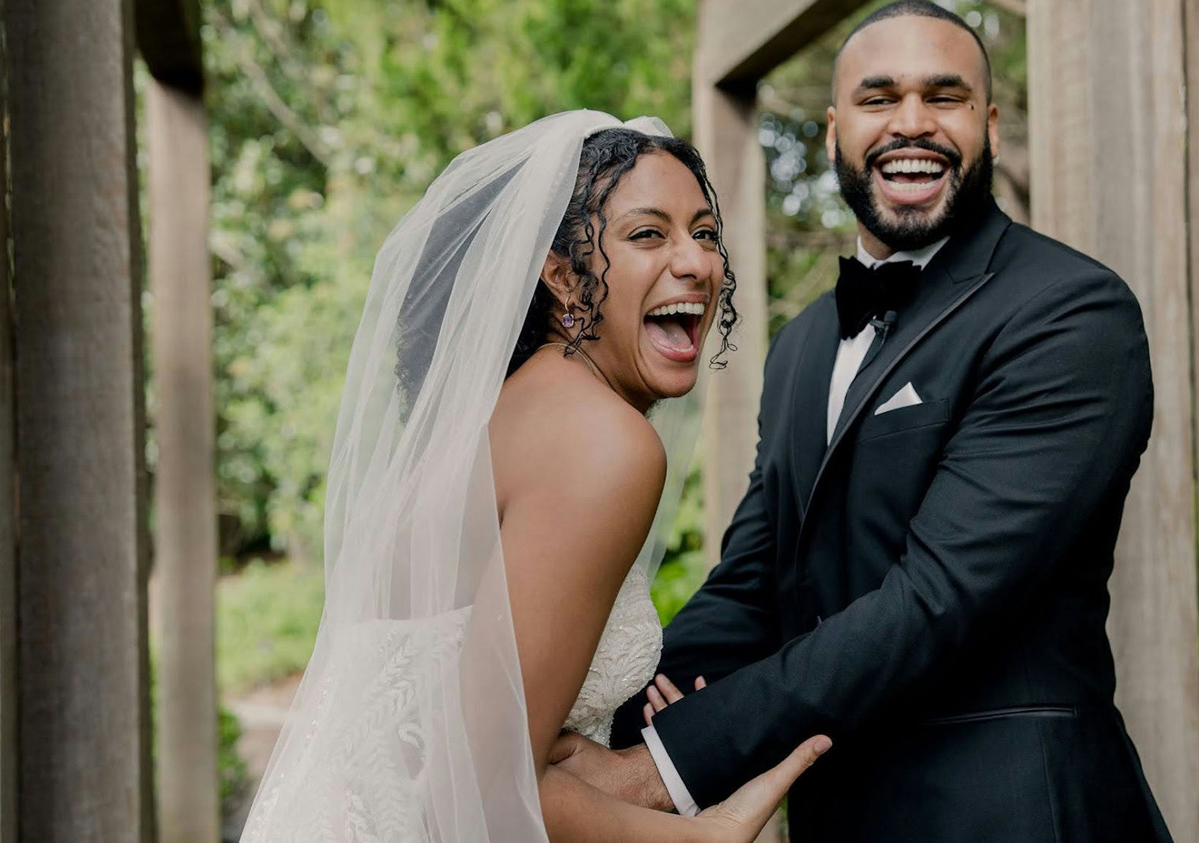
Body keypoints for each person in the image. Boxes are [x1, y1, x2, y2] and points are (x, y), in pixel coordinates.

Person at [553, 4, 1175, 841]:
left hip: (1009, 815)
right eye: (880, 99)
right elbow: (757, 576)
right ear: (834, 128)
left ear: (988, 124)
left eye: (944, 97)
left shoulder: (1070, 315)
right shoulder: (804, 342)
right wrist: (614, 718)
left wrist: (664, 767)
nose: (911, 123)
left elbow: (935, 601)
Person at [239, 111, 828, 843]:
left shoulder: (509, 415)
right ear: (562, 275)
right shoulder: (604, 443)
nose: (697, 263)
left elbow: (471, 730)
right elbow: (480, 789)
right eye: (649, 234)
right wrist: (706, 835)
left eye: (704, 233)